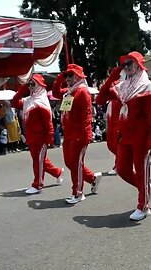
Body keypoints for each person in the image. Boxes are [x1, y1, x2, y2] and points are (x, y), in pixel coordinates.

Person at [99, 51, 151, 221]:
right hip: (125, 135)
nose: (128, 67)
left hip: (141, 136)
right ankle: (145, 189)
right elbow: (102, 98)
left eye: (131, 63)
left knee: (141, 171)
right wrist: (112, 76)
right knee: (122, 169)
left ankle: (143, 206)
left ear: (139, 65)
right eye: (125, 64)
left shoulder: (147, 86)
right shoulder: (123, 86)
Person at [52, 64, 102, 204]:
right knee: (70, 162)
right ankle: (92, 178)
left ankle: (78, 192)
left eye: (70, 75)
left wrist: (85, 134)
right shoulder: (69, 92)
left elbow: (87, 115)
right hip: (68, 134)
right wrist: (58, 79)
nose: (67, 78)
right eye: (66, 75)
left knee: (76, 163)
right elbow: (56, 93)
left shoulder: (82, 92)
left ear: (78, 76)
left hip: (79, 134)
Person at [11, 74, 64, 194]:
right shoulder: (28, 100)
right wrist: (22, 89)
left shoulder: (42, 101)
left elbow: (48, 123)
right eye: (29, 83)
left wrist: (49, 138)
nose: (30, 86)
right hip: (31, 137)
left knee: (38, 161)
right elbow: (14, 102)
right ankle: (57, 172)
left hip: (40, 138)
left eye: (33, 84)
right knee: (40, 160)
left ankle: (37, 184)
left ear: (40, 85)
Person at [96, 73, 122, 176]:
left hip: (118, 126)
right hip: (111, 126)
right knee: (110, 146)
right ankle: (123, 161)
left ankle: (118, 166)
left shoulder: (118, 99)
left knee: (117, 146)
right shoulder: (110, 102)